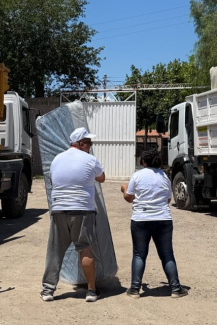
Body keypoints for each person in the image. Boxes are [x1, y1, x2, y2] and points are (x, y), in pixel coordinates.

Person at [40, 127, 105, 303]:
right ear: (81, 144)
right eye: (89, 143)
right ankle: (91, 291)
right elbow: (102, 178)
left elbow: (53, 180)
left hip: (59, 209)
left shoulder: (56, 159)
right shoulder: (90, 159)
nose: (90, 146)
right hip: (82, 210)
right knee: (85, 249)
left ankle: (48, 290)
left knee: (55, 251)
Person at [120, 149, 187, 298]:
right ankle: (176, 288)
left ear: (143, 161)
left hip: (140, 219)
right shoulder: (164, 177)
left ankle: (135, 289)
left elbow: (129, 198)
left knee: (139, 254)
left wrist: (124, 189)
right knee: (167, 255)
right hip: (163, 219)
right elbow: (168, 200)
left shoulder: (137, 175)